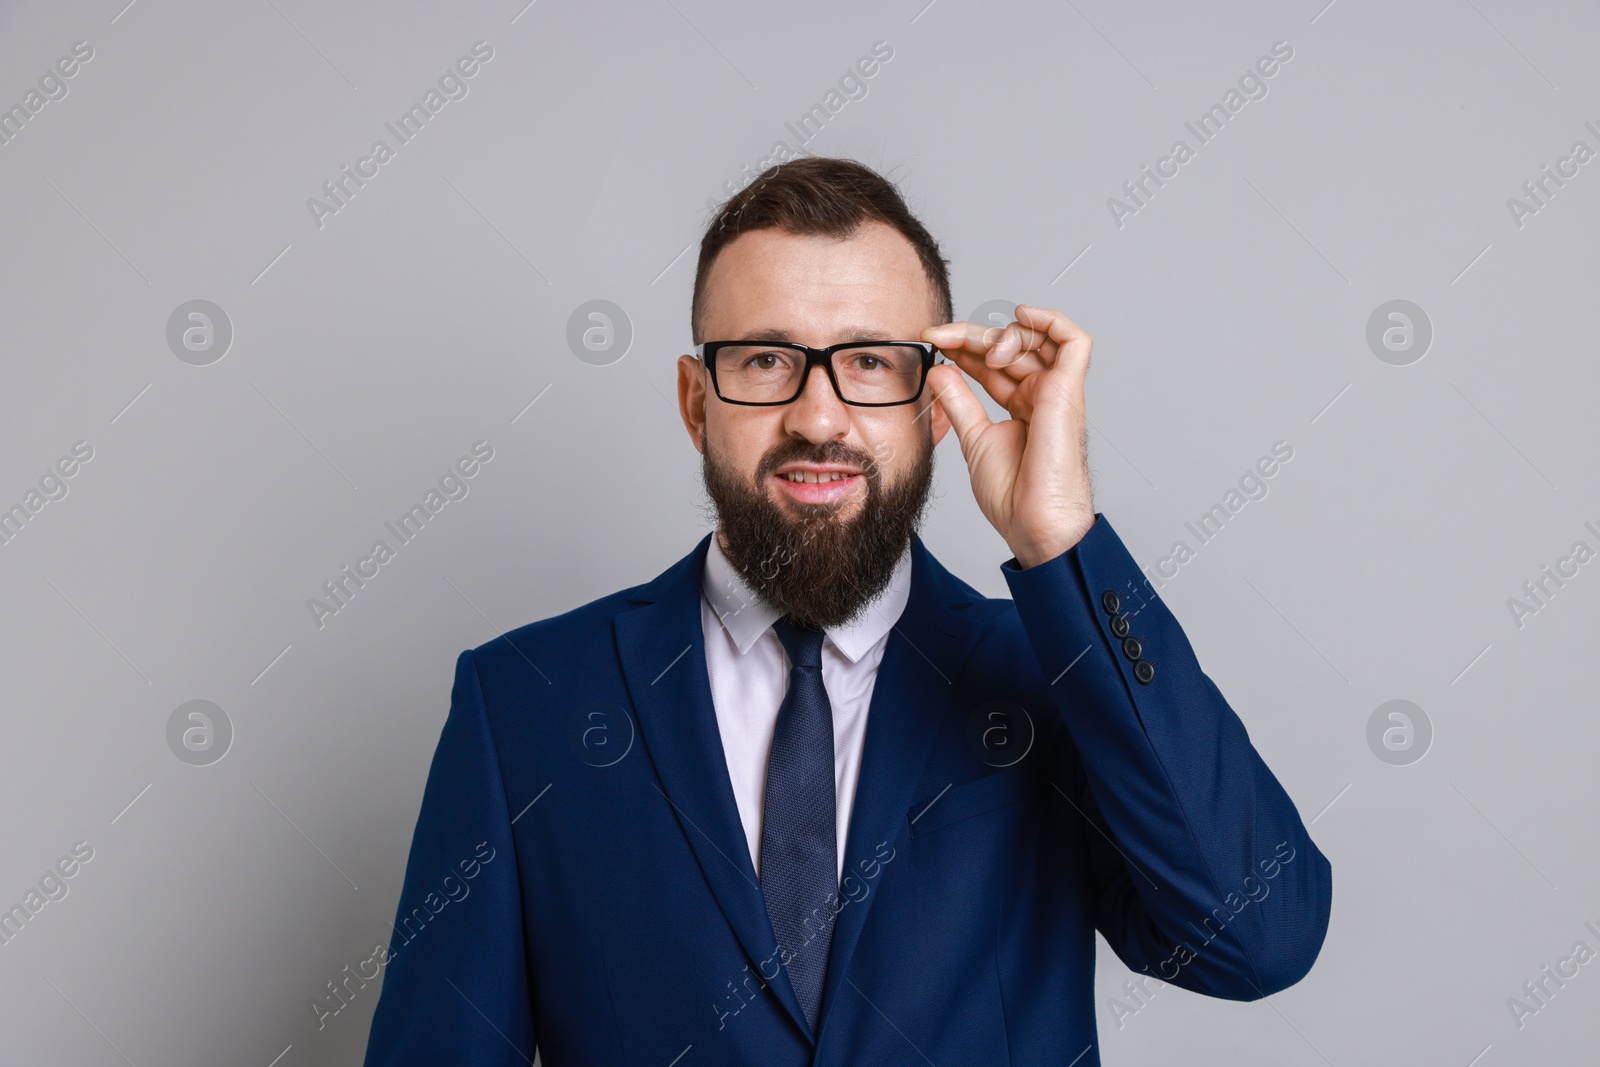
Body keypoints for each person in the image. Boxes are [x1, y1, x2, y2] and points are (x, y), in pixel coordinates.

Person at [360, 156, 1331, 1066]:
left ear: (935, 403)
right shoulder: (520, 703)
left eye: (869, 362)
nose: (818, 416)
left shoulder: (1047, 677)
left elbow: (1260, 936)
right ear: (696, 402)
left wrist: (1061, 544)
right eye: (766, 360)